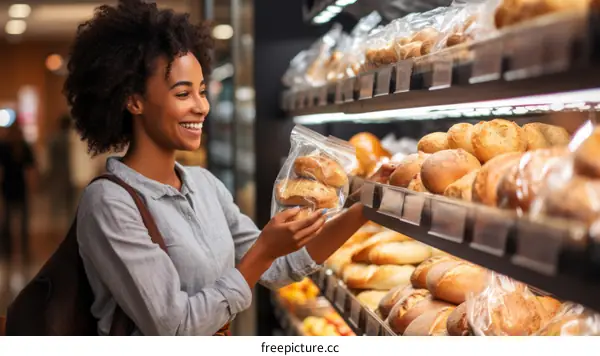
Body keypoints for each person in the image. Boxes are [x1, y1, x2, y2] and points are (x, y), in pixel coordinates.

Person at [63, 0, 393, 336]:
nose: (201, 107)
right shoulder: (108, 202)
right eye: (182, 94)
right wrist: (263, 250)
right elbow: (176, 327)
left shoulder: (204, 185)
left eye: (202, 92)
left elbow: (278, 269)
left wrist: (365, 206)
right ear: (133, 100)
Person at [0, 123, 36, 268]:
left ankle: (12, 251)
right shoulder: (6, 147)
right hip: (13, 187)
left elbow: (31, 168)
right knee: (11, 221)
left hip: (14, 187)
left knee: (15, 221)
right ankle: (12, 250)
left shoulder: (12, 147)